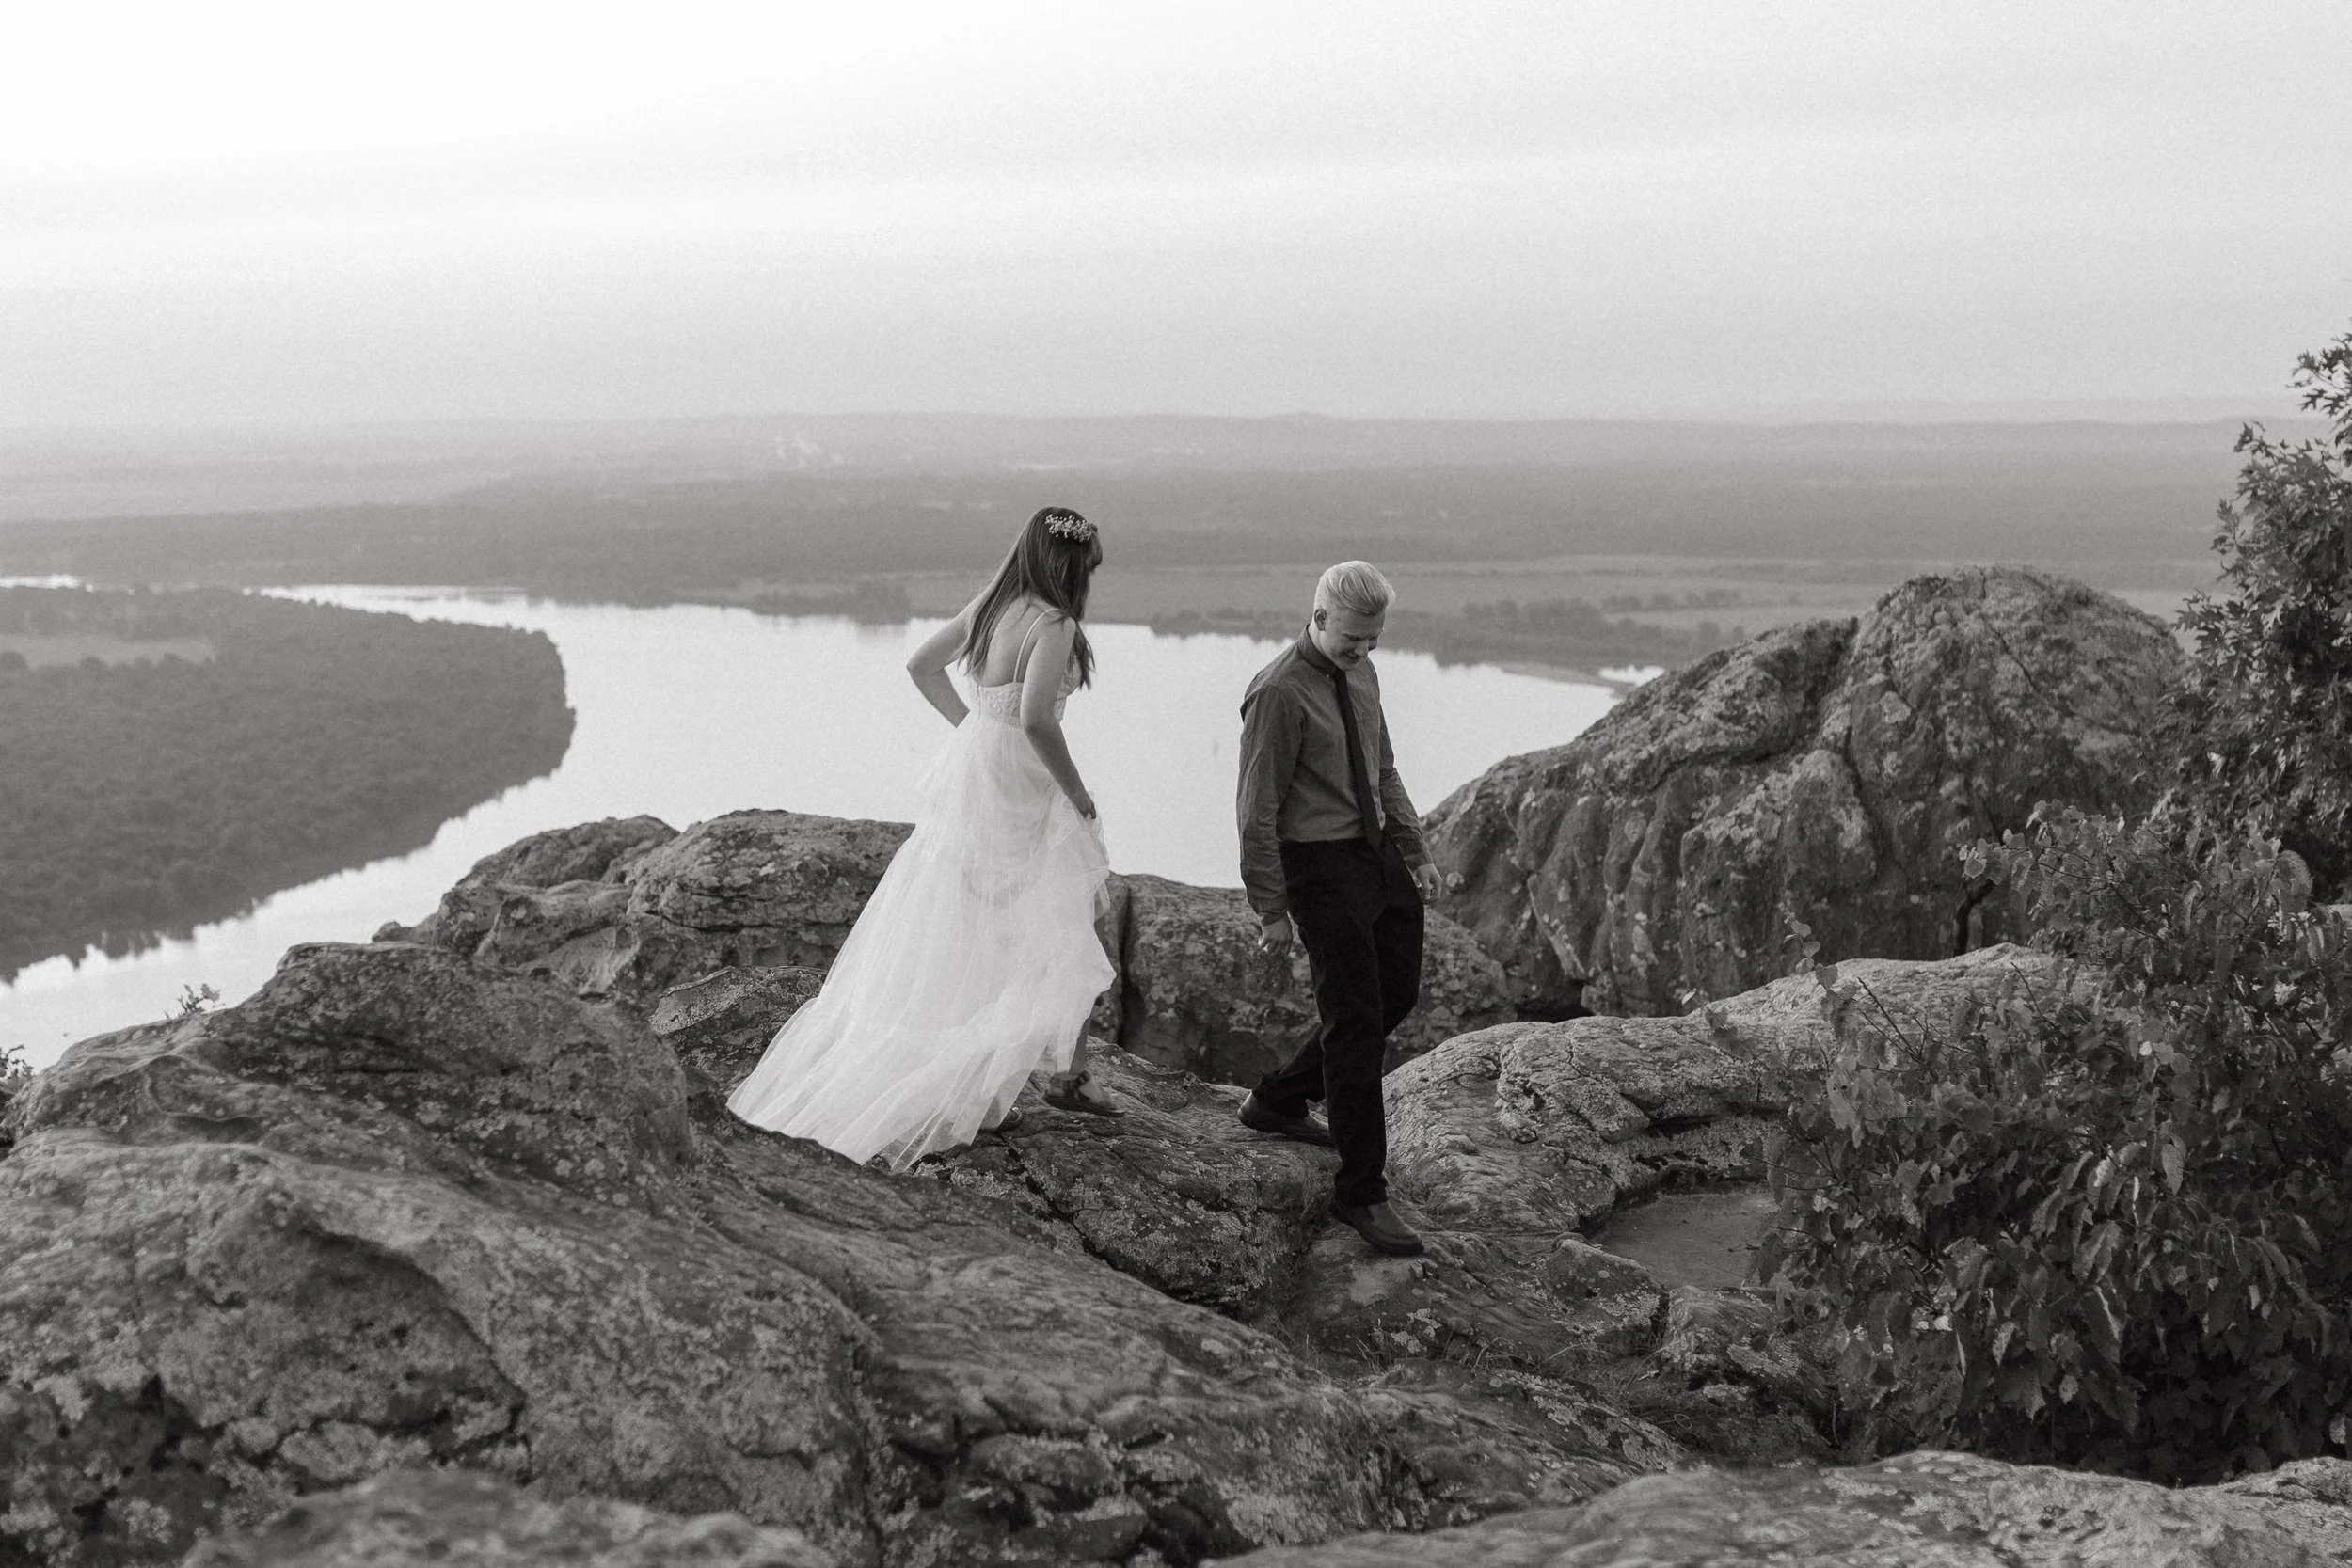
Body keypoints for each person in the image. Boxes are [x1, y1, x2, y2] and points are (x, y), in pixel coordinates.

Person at [727, 505, 1123, 1168]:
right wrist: (1077, 792)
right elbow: (1036, 720)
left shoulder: (995, 607)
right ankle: (1069, 1075)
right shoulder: (1054, 624)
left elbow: (920, 665)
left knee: (964, 913)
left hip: (982, 775)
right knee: (1068, 909)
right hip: (1023, 783)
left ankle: (1043, 1067)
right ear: (1072, 566)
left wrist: (970, 728)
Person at [1232, 561, 1442, 1257]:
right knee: (1356, 1025)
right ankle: (1362, 1191)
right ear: (1318, 617)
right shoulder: (1276, 694)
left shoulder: (1364, 674)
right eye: (1353, 638)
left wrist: (1415, 852)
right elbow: (1256, 812)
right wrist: (1271, 908)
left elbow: (1383, 767)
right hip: (1318, 867)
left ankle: (1277, 1098)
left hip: (1376, 853)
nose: (1363, 650)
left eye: (1373, 639)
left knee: (1396, 993)